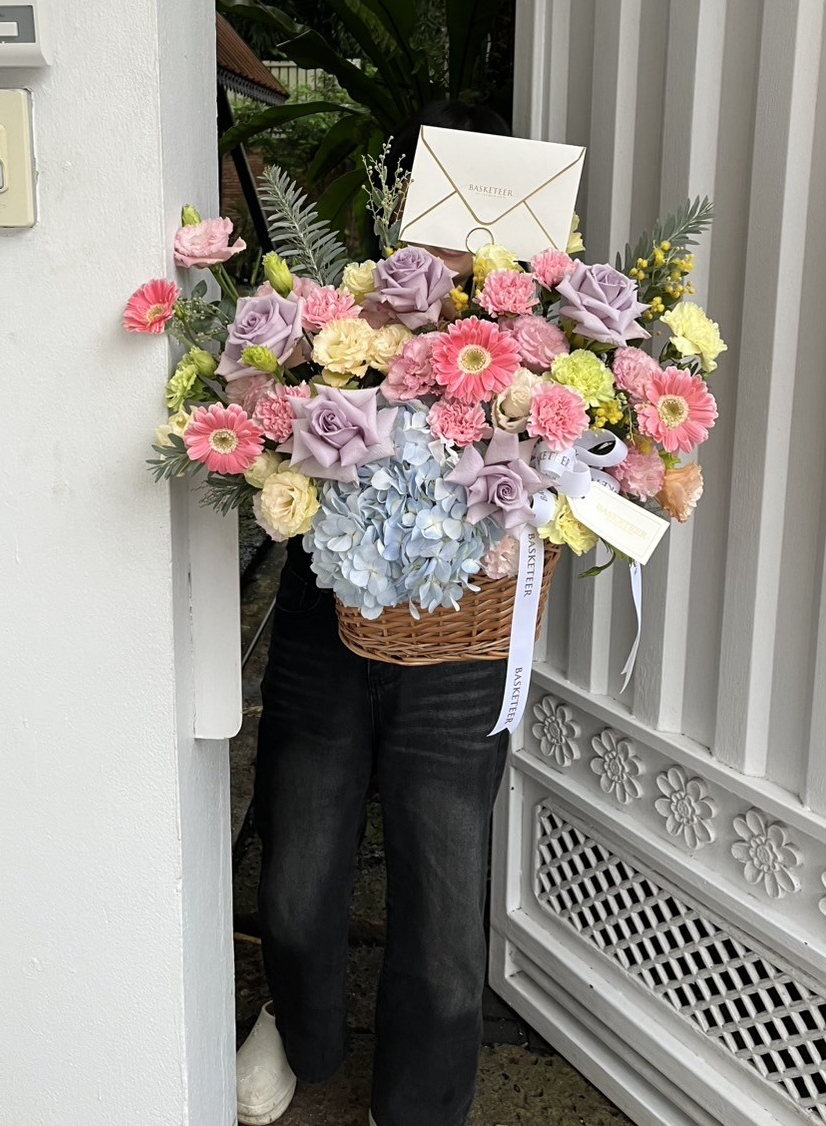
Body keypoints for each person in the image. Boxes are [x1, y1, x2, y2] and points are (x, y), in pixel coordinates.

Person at [237, 101, 515, 1126]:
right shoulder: (339, 319)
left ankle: (419, 1107)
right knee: (299, 883)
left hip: (456, 642)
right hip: (328, 619)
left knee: (443, 927)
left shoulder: (536, 338)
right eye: (423, 195)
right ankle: (301, 1025)